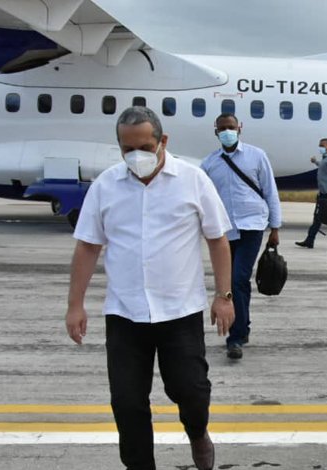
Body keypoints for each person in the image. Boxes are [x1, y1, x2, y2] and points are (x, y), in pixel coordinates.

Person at [65, 106, 235, 470]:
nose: (136, 156)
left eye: (145, 146)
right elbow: (88, 246)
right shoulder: (106, 186)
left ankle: (197, 433)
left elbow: (218, 240)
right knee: (127, 403)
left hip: (180, 312)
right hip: (125, 314)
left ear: (163, 142)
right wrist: (75, 305)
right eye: (128, 149)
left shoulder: (193, 180)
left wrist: (223, 297)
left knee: (190, 392)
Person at [201, 113, 282, 360]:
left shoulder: (257, 156)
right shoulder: (209, 164)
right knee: (237, 282)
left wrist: (275, 228)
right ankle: (243, 328)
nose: (227, 131)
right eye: (222, 128)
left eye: (231, 127)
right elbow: (203, 199)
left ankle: (235, 338)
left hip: (252, 225)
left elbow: (270, 190)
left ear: (240, 128)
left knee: (236, 279)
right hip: (226, 230)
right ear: (215, 131)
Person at [296, 138, 327, 249]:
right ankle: (309, 240)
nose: (321, 148)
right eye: (320, 145)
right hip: (323, 194)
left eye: (323, 146)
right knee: (317, 218)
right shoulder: (325, 159)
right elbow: (322, 165)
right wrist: (315, 162)